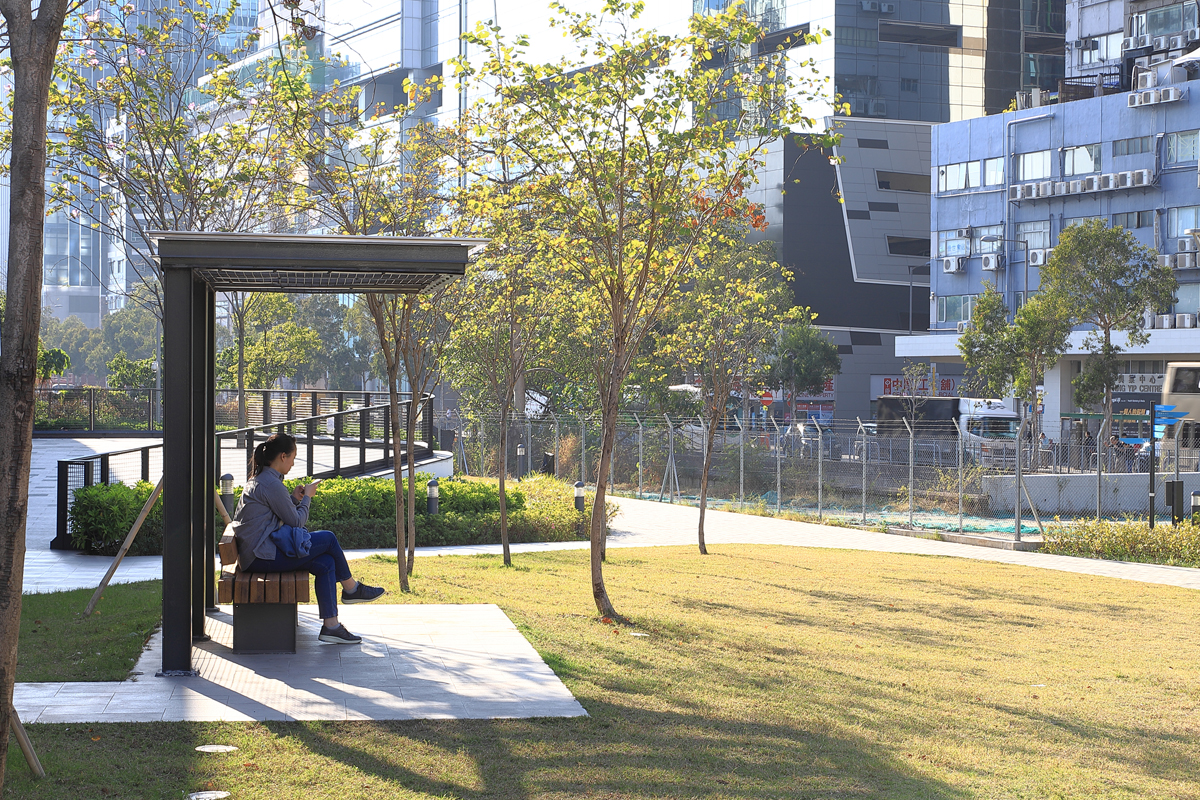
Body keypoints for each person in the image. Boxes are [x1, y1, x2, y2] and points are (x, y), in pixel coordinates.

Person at [231, 432, 385, 644]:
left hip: (257, 553)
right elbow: (296, 521)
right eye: (293, 458)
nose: (293, 464)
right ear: (283, 456)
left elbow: (274, 514)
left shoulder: (262, 480)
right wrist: (307, 498)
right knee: (328, 538)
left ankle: (331, 626)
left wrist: (294, 499)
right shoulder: (271, 484)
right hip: (261, 557)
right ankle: (351, 589)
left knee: (326, 562)